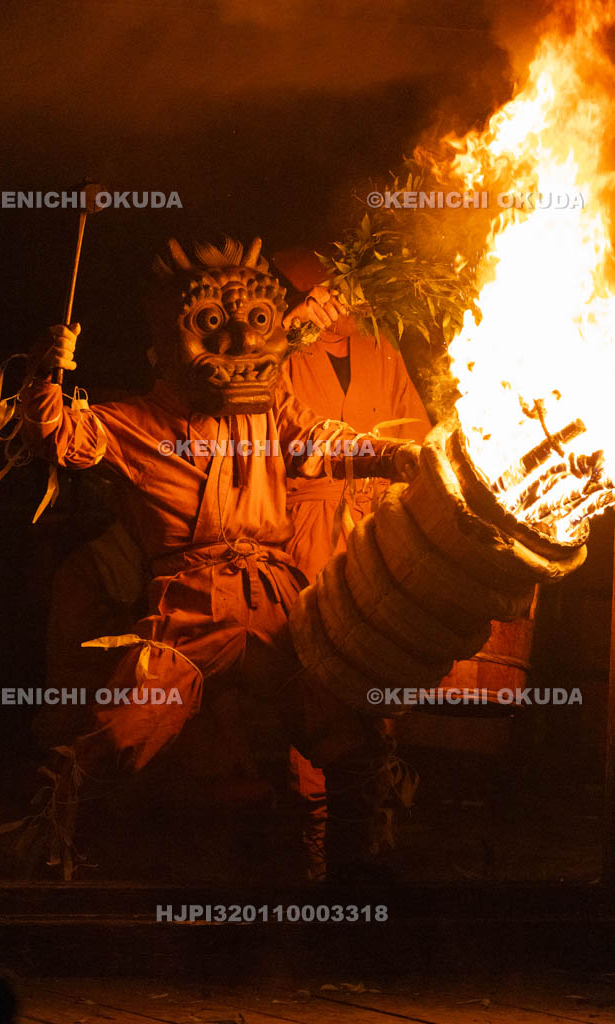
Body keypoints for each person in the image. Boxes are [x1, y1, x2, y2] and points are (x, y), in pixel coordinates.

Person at [17, 236, 421, 877]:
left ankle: (350, 879)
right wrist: (47, 372)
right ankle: (59, 862)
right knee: (123, 736)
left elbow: (324, 441)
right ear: (164, 342)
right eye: (210, 325)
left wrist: (397, 454)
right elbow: (55, 436)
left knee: (347, 732)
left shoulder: (272, 414)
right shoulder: (137, 421)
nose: (237, 343)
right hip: (189, 609)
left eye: (255, 323)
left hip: (278, 603)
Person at [273, 246, 430, 880]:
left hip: (369, 530)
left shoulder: (380, 350)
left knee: (376, 667)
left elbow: (416, 431)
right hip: (302, 528)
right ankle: (307, 843)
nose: (335, 304)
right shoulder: (279, 357)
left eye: (340, 292)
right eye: (318, 294)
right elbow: (292, 437)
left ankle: (373, 841)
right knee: (312, 673)